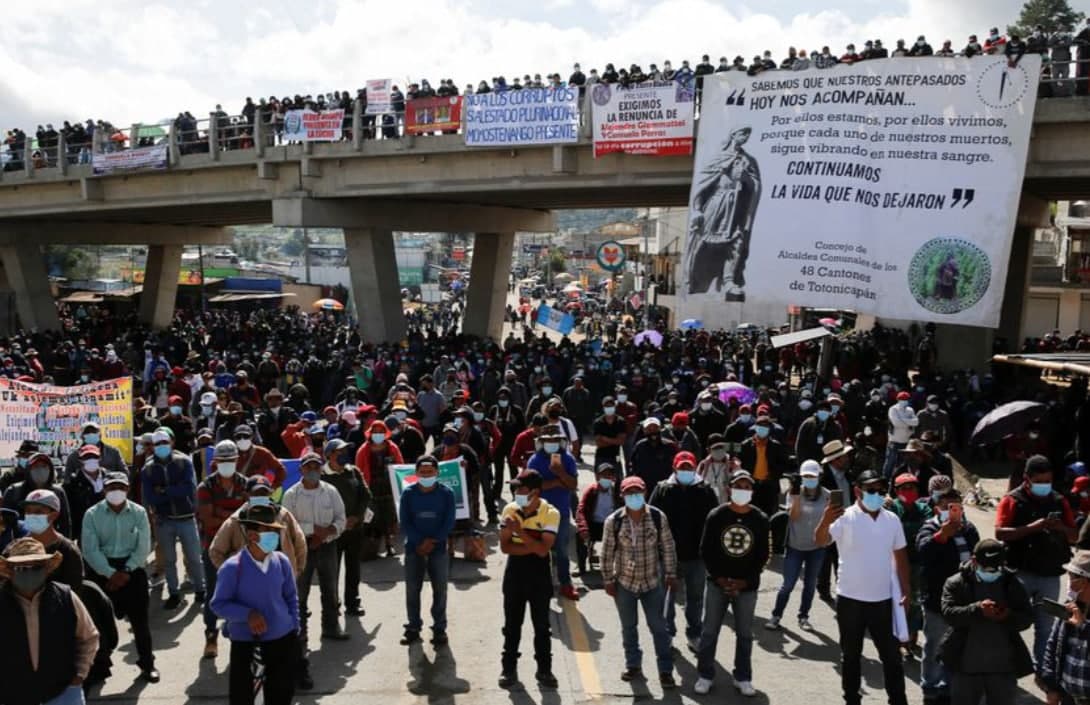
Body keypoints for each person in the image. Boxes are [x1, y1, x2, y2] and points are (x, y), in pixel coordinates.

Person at [814, 469, 910, 705]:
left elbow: (900, 556)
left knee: (891, 657)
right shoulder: (844, 518)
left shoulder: (892, 520)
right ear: (858, 491)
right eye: (871, 490)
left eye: (880, 490)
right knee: (851, 656)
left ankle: (898, 700)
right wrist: (825, 519)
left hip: (883, 600)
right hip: (850, 600)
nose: (877, 495)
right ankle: (852, 700)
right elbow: (820, 540)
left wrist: (907, 592)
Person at [210, 504, 300, 705]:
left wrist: (295, 628)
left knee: (282, 694)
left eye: (276, 531)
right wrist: (248, 614)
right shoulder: (232, 568)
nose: (274, 536)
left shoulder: (282, 561)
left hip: (282, 640)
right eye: (268, 531)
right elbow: (219, 604)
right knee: (245, 697)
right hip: (247, 645)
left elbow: (291, 598)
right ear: (251, 536)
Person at [994, 454, 1077, 666]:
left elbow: (1075, 536)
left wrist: (1060, 528)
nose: (1044, 486)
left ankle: (1043, 671)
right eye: (1039, 482)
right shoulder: (1012, 500)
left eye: (1047, 481)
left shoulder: (1059, 500)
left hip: (1049, 574)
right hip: (1019, 572)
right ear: (1027, 479)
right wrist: (1034, 527)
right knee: (1012, 622)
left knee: (1046, 627)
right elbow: (1000, 533)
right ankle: (1009, 667)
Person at [694, 470, 769, 697]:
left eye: (747, 487)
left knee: (745, 634)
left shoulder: (760, 519)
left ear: (752, 492)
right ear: (729, 489)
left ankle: (743, 677)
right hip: (717, 584)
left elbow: (763, 555)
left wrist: (743, 581)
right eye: (738, 486)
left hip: (746, 587)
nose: (742, 490)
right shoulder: (716, 515)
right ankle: (705, 675)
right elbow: (706, 550)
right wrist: (719, 578)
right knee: (709, 632)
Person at [0, 537, 100, 705]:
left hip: (62, 692)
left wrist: (79, 675)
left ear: (47, 569)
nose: (29, 572)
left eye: (36, 567)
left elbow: (89, 637)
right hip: (11, 695)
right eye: (21, 568)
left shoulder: (66, 597)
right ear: (9, 571)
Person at [81, 472, 158, 683]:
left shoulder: (139, 512)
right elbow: (89, 549)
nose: (116, 491)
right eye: (111, 487)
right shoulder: (92, 514)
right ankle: (100, 666)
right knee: (97, 624)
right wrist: (110, 573)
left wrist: (126, 571)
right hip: (101, 570)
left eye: (120, 487)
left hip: (132, 569)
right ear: (104, 490)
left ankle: (147, 663)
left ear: (127, 489)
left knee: (140, 622)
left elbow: (144, 546)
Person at [602, 475, 678, 688]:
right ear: (622, 495)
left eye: (638, 492)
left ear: (645, 493)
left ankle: (665, 670)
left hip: (652, 582)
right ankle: (633, 664)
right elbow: (607, 553)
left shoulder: (656, 517)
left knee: (659, 628)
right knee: (629, 627)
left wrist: (671, 574)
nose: (634, 496)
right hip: (625, 583)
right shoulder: (614, 521)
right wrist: (608, 579)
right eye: (629, 493)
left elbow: (668, 546)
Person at [941, 539, 1034, 705]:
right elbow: (949, 615)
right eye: (986, 567)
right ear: (974, 561)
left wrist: (1007, 616)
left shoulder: (1012, 583)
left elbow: (1026, 619)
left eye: (996, 568)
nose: (991, 571)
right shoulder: (956, 583)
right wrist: (977, 610)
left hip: (1002, 668)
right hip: (966, 667)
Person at [282, 452, 347, 688]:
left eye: (316, 466)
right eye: (308, 466)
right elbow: (286, 523)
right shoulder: (291, 495)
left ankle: (331, 626)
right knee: (299, 594)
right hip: (302, 549)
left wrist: (329, 531)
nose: (312, 470)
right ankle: (301, 634)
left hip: (328, 546)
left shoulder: (330, 491)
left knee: (330, 589)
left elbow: (341, 518)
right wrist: (312, 531)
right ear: (301, 470)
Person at [915, 488, 980, 702]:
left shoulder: (969, 529)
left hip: (964, 600)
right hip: (937, 599)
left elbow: (977, 556)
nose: (952, 512)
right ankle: (930, 685)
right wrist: (942, 536)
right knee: (935, 644)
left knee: (958, 646)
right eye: (947, 507)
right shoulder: (929, 528)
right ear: (937, 508)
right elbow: (923, 553)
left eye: (956, 508)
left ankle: (948, 685)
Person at [649, 451, 718, 651]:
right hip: (668, 556)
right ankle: (668, 633)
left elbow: (713, 521)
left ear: (695, 468)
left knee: (695, 598)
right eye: (682, 467)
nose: (686, 471)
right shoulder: (662, 490)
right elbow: (651, 519)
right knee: (666, 598)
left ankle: (694, 633)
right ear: (674, 469)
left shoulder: (705, 491)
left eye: (689, 467)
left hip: (696, 556)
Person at [498, 470, 559, 690]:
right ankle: (508, 668)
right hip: (515, 573)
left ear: (535, 492)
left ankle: (545, 670)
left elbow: (544, 551)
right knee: (512, 625)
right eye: (515, 489)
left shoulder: (550, 513)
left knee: (542, 626)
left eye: (521, 489)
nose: (516, 493)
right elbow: (505, 547)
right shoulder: (509, 510)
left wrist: (520, 533)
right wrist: (531, 545)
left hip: (539, 574)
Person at [196, 439, 249, 659]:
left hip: (242, 548)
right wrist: (235, 515)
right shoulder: (205, 487)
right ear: (215, 462)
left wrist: (221, 513)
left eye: (231, 460)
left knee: (244, 592)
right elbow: (207, 520)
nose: (227, 464)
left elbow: (250, 515)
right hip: (214, 548)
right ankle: (211, 634)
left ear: (237, 460)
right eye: (222, 460)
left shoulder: (246, 484)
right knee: (214, 593)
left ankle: (238, 632)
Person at [141, 428, 205, 609]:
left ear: (172, 442)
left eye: (164, 442)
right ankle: (174, 593)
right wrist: (173, 490)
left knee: (194, 557)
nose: (161, 446)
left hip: (186, 516)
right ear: (153, 446)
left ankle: (201, 590)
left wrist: (163, 490)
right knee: (169, 560)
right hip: (164, 519)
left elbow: (189, 488)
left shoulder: (184, 462)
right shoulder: (148, 468)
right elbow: (150, 497)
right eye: (157, 444)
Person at [398, 455, 456, 646]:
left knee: (440, 589)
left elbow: (449, 521)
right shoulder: (408, 494)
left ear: (437, 473)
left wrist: (433, 541)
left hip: (438, 548)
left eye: (430, 472)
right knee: (412, 589)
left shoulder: (446, 493)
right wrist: (419, 542)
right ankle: (413, 627)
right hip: (414, 548)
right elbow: (405, 522)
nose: (426, 475)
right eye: (422, 472)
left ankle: (440, 629)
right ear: (416, 474)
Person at [767, 460, 828, 632]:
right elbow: (793, 517)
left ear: (819, 477)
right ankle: (776, 615)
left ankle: (803, 616)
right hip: (795, 546)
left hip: (817, 547)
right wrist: (796, 497)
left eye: (812, 476)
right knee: (788, 584)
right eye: (806, 476)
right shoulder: (793, 493)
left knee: (810, 584)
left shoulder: (827, 495)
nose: (809, 479)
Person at [209, 476, 307, 579]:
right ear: (246, 495)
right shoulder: (236, 520)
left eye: (264, 493)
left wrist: (296, 571)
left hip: (280, 577)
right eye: (256, 494)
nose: (261, 496)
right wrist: (232, 574)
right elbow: (216, 551)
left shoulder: (283, 516)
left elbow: (300, 543)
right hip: (248, 579)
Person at [526, 426, 579, 601]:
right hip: (539, 512)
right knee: (539, 550)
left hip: (561, 512)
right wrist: (557, 482)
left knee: (562, 551)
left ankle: (565, 583)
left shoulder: (567, 459)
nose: (551, 444)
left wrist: (560, 473)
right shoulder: (534, 460)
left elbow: (572, 485)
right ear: (542, 442)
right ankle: (540, 584)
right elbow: (533, 487)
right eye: (548, 441)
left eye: (555, 440)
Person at [321, 438, 372, 618]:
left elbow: (365, 495)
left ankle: (353, 603)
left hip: (354, 530)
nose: (343, 455)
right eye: (339, 452)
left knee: (353, 569)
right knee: (331, 571)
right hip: (333, 532)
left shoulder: (353, 471)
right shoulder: (322, 476)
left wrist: (356, 517)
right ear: (329, 455)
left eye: (344, 451)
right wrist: (338, 522)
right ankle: (332, 605)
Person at [1039, 549, 1090, 705]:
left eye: (1074, 577)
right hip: (1069, 698)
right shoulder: (1070, 606)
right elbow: (1053, 646)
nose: (1069, 582)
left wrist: (1084, 628)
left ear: (1086, 581)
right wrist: (1051, 688)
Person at [20, 489, 84, 588]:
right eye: (28, 511)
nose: (31, 515)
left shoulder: (68, 551)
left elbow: (73, 591)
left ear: (54, 515)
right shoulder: (16, 548)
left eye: (38, 512)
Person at [3, 451, 73, 538]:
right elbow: (5, 524)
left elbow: (65, 524)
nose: (40, 470)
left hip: (51, 544)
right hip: (21, 545)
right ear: (28, 470)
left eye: (44, 467)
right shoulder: (14, 491)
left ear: (50, 469)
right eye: (36, 467)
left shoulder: (58, 492)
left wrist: (63, 546)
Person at [738, 415, 790, 516]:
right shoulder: (746, 445)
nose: (762, 428)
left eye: (765, 426)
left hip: (769, 485)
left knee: (769, 513)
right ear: (755, 427)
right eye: (760, 426)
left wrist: (773, 474)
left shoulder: (775, 446)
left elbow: (783, 463)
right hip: (751, 485)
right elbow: (741, 463)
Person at [575, 463, 620, 574]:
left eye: (609, 475)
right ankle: (581, 568)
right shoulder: (591, 491)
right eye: (603, 475)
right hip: (593, 524)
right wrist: (583, 528)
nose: (606, 478)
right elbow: (581, 510)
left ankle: (616, 568)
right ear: (597, 477)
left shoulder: (617, 493)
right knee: (579, 536)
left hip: (610, 526)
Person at [63, 421, 127, 482]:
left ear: (100, 435)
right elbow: (67, 480)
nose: (91, 434)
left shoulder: (113, 453)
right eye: (87, 432)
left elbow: (125, 474)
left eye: (94, 432)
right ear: (82, 437)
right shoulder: (73, 457)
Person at [885, 392, 918, 478]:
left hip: (906, 441)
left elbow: (916, 422)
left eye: (906, 399)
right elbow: (896, 423)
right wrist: (908, 421)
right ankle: (886, 479)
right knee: (890, 462)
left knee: (903, 463)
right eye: (902, 399)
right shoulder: (893, 409)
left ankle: (900, 478)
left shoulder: (910, 410)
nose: (904, 401)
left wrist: (902, 419)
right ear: (898, 400)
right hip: (894, 441)